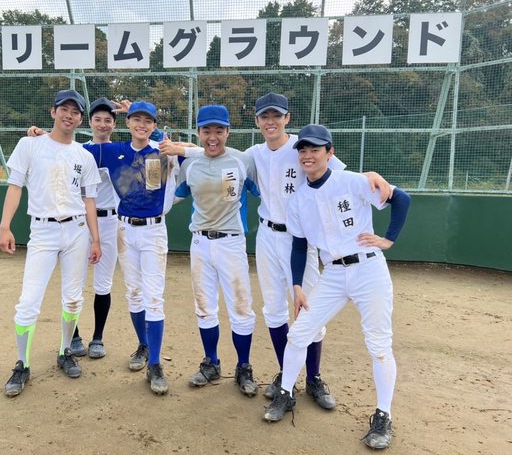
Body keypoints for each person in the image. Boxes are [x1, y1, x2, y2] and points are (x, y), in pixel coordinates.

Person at [164, 93, 391, 408]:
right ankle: (286, 375)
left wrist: (369, 175)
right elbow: (214, 151)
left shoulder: (302, 147)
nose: (271, 122)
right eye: (265, 116)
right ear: (257, 121)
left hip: (300, 240)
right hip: (267, 235)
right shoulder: (253, 154)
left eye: (277, 116)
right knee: (273, 310)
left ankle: (313, 378)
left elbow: (336, 173)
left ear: (287, 118)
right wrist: (182, 149)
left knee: (309, 310)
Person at [263, 124, 411, 452]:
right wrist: (297, 285)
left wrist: (389, 239)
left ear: (329, 153)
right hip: (332, 273)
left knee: (378, 344)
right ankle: (286, 393)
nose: (308, 155)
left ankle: (383, 415)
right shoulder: (299, 199)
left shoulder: (353, 181)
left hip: (368, 269)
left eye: (315, 149)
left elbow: (401, 199)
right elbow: (299, 245)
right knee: (299, 333)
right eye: (303, 150)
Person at [0, 89, 102, 397]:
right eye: (64, 109)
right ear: (53, 111)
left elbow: (90, 200)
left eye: (75, 112)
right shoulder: (30, 144)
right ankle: (22, 364)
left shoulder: (84, 155)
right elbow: (15, 186)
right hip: (43, 231)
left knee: (73, 299)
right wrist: (5, 226)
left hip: (77, 231)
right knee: (28, 302)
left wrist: (96, 239)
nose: (69, 115)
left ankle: (65, 351)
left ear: (81, 119)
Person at [83, 100, 179, 395]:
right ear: (127, 123)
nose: (141, 125)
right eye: (136, 119)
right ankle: (143, 345)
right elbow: (72, 150)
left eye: (147, 121)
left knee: (154, 298)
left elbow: (198, 150)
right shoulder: (113, 150)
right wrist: (42, 136)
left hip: (154, 231)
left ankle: (155, 364)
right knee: (134, 294)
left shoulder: (164, 150)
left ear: (154, 125)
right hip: (125, 229)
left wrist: (164, 139)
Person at [174, 105, 259, 397]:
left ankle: (244, 366)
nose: (213, 137)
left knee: (241, 308)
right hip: (200, 242)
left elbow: (266, 192)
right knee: (204, 307)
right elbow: (175, 195)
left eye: (219, 130)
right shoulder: (190, 164)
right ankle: (211, 362)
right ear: (198, 132)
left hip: (231, 242)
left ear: (228, 132)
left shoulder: (242, 161)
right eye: (206, 130)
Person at [67, 98, 122, 360]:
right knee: (74, 281)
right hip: (80, 220)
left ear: (114, 124)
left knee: (103, 282)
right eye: (98, 119)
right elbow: (54, 143)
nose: (102, 124)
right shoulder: (78, 149)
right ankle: (74, 336)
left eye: (108, 120)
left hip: (109, 221)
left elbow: (151, 144)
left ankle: (98, 337)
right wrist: (37, 133)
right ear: (89, 122)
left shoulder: (121, 150)